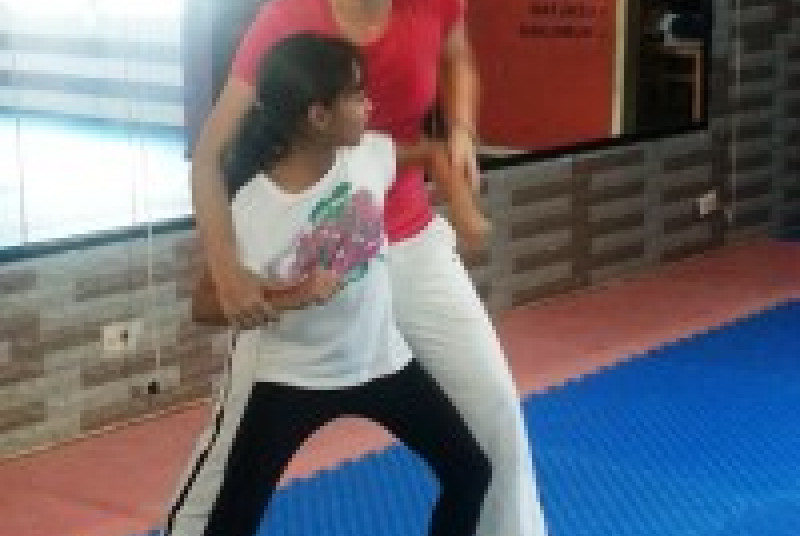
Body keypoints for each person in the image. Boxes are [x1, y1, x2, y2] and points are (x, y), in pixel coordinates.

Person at [189, 1, 549, 535]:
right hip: (311, 247)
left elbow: (457, 57)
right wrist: (229, 272)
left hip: (406, 236)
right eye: (358, 96)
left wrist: (462, 132)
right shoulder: (288, 18)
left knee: (492, 408)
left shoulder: (433, 8)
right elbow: (208, 155)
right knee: (228, 467)